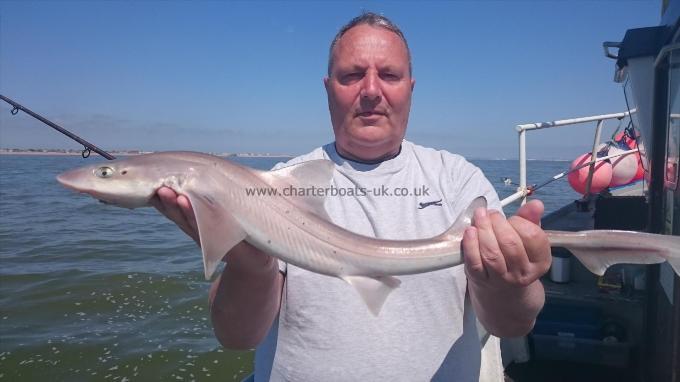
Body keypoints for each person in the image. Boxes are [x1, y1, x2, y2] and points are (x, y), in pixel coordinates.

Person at [152, 12, 551, 381]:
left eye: (389, 75)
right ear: (328, 89)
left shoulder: (460, 182)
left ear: (410, 88)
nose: (372, 91)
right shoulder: (278, 187)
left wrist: (511, 283)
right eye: (352, 75)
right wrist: (249, 265)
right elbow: (237, 336)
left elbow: (511, 325)